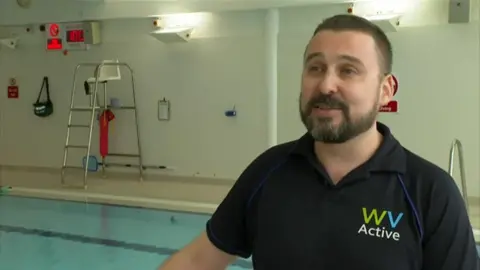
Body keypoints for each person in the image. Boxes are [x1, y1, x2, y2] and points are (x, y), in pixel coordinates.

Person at [159, 14, 479, 270]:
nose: (326, 84)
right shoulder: (268, 172)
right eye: (316, 68)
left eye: (348, 70)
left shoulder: (429, 192)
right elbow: (197, 260)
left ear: (386, 90)